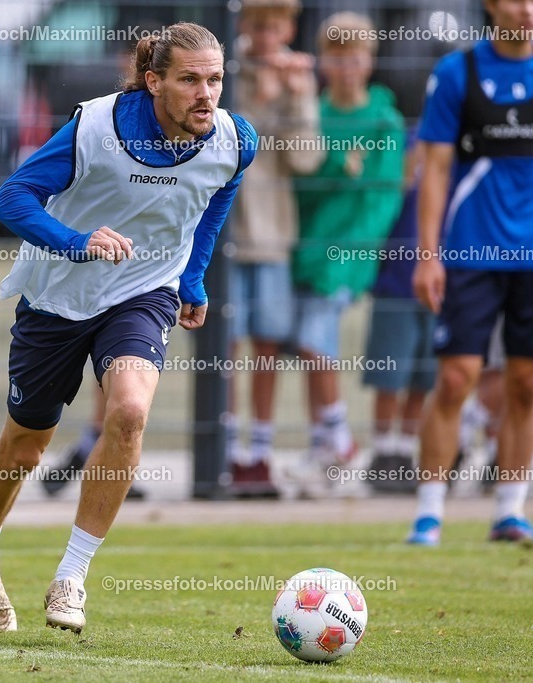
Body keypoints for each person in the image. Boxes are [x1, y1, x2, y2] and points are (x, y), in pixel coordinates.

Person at [0, 22, 256, 633]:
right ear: (153, 82)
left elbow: (212, 205)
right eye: (188, 80)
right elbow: (11, 198)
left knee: (128, 411)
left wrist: (193, 279)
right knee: (23, 449)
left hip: (142, 292)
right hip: (57, 295)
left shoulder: (234, 141)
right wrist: (77, 243)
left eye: (215, 80)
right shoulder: (97, 126)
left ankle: (70, 578)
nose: (206, 95)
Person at [407, 0, 533, 547]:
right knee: (457, 377)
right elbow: (435, 167)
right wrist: (427, 253)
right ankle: (429, 514)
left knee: (528, 383)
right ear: (491, 5)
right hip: (468, 253)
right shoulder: (456, 72)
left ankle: (510, 511)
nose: (530, 9)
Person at [290, 12, 405, 491]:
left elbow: (383, 197)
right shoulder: (314, 111)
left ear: (370, 61)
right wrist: (338, 166)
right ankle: (324, 448)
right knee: (315, 348)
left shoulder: (384, 118)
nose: (347, 66)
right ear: (323, 62)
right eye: (337, 57)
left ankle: (339, 440)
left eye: (356, 57)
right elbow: (303, 180)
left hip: (347, 256)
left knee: (315, 342)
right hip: (308, 249)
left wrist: (352, 253)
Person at [226, 0, 323, 497]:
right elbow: (216, 145)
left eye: (276, 26)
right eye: (257, 25)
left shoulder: (296, 76)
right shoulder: (221, 69)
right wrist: (257, 103)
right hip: (222, 237)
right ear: (243, 24)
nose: (267, 35)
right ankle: (224, 450)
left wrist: (298, 100)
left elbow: (305, 161)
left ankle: (260, 452)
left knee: (266, 346)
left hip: (271, 237)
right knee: (223, 347)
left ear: (288, 27)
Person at [362, 134, 434, 494]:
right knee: (390, 373)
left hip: (442, 283)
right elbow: (389, 194)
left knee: (425, 375)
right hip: (397, 279)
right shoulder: (404, 140)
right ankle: (382, 451)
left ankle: (405, 451)